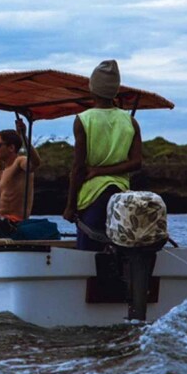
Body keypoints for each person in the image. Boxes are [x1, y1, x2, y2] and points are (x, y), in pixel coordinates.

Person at [63, 59, 143, 251]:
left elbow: (78, 168)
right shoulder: (130, 121)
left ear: (92, 89)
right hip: (122, 198)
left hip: (93, 199)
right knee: (120, 253)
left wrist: (70, 206)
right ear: (115, 90)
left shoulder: (83, 120)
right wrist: (103, 171)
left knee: (88, 257)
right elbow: (136, 163)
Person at [0, 118, 41, 222]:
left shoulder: (20, 162)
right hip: (1, 220)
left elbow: (35, 163)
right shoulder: (4, 168)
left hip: (14, 222)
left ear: (11, 148)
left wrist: (24, 137)